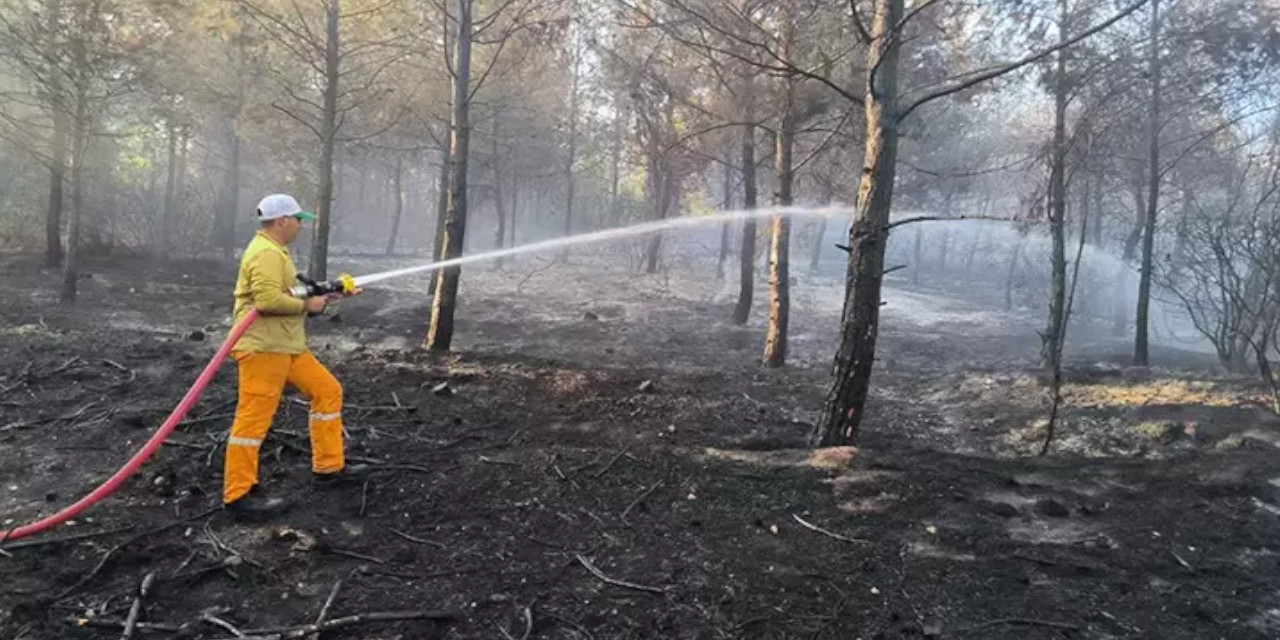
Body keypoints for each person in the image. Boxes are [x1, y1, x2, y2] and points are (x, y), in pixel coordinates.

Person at [222, 193, 365, 516]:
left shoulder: (276, 252)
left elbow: (290, 295)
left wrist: (327, 296)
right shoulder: (265, 254)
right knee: (253, 420)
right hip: (262, 349)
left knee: (327, 391)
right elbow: (267, 302)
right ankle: (238, 495)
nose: (301, 226)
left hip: (286, 345)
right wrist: (307, 306)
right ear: (282, 220)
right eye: (298, 220)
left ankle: (328, 468)